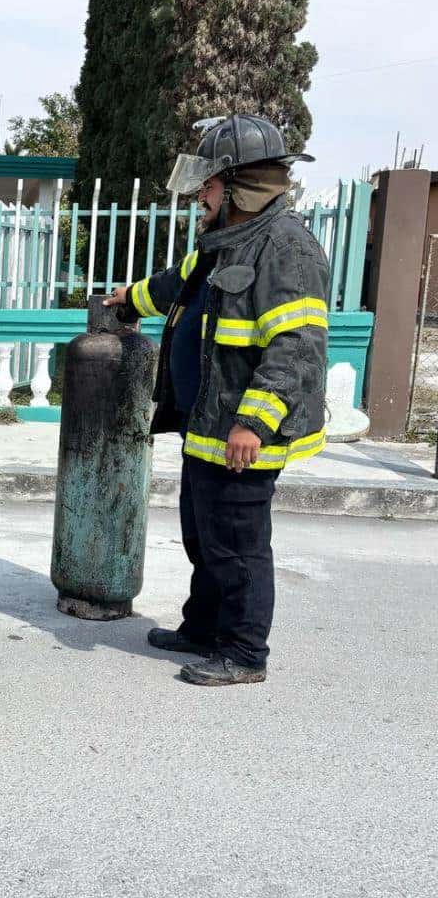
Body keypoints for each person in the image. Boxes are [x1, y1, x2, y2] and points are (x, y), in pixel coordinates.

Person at [106, 113, 329, 686]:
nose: (199, 194)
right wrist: (128, 298)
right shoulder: (223, 243)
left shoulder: (285, 248)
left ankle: (244, 652)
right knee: (202, 535)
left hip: (242, 435)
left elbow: (296, 347)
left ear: (238, 185)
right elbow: (173, 286)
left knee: (237, 546)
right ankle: (201, 628)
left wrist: (253, 423)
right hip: (205, 425)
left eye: (207, 183)